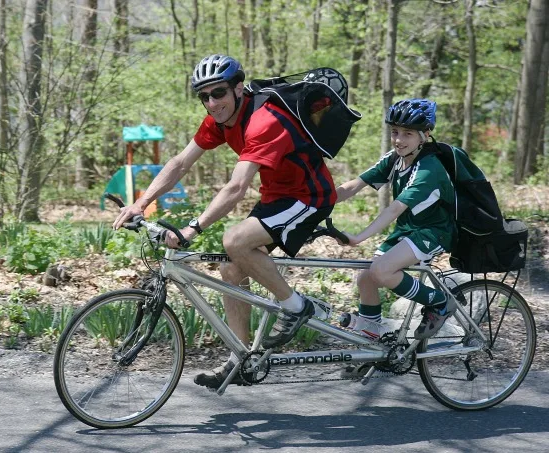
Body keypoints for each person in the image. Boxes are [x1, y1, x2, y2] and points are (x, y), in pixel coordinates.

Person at [113, 54, 341, 389]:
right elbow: (179, 163)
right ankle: (240, 359)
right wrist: (141, 203)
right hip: (276, 198)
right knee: (230, 272)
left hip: (309, 198)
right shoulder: (220, 121)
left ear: (238, 89)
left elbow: (236, 187)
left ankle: (296, 307)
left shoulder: (265, 121)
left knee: (234, 241)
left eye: (218, 92)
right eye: (203, 96)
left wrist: (194, 227)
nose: (211, 102)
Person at [334, 98, 458, 341]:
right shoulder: (395, 159)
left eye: (408, 134)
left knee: (381, 271)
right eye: (395, 132)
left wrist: (358, 238)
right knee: (366, 279)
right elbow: (352, 186)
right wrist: (315, 201)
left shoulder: (428, 169)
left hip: (435, 231)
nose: (399, 139)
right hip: (409, 230)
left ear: (425, 135)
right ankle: (371, 338)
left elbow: (394, 210)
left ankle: (440, 302)